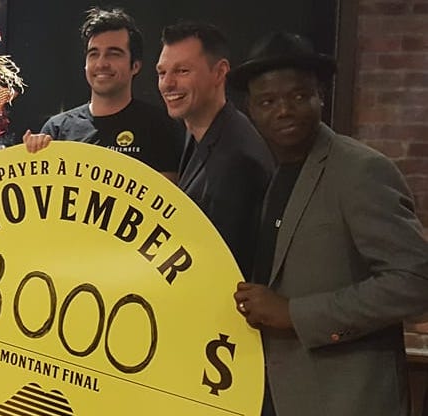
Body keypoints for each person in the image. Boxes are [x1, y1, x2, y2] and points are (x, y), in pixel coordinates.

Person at [228, 32, 428, 416]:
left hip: (348, 401)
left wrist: (294, 314)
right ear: (251, 110)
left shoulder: (361, 170)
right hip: (280, 394)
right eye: (268, 101)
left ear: (321, 96)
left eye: (298, 96)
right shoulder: (277, 173)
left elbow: (415, 283)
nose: (284, 110)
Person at [156, 22, 274, 278]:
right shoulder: (197, 132)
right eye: (162, 72)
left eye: (182, 71)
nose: (168, 83)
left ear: (220, 72)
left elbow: (223, 269)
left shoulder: (238, 160)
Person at [23, 7, 182, 182]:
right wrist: (33, 155)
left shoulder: (160, 128)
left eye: (113, 54)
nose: (101, 63)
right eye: (94, 54)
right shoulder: (57, 130)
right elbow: (40, 192)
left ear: (135, 66)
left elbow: (167, 196)